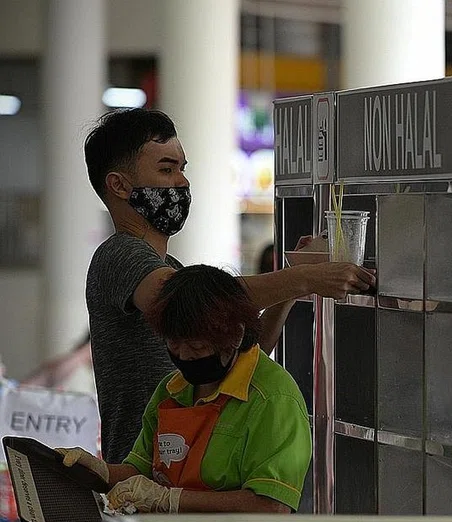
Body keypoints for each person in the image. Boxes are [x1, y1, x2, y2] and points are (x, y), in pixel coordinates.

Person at [83, 108, 375, 463]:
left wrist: (295, 285)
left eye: (182, 169)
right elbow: (192, 301)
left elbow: (243, 352)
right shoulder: (119, 255)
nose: (182, 182)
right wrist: (304, 277)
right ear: (119, 185)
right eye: (166, 170)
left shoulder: (169, 268)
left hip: (188, 470)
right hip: (146, 473)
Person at [59, 265, 311, 522]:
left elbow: (270, 507)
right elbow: (140, 469)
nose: (182, 356)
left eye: (195, 347)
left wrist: (170, 500)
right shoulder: (171, 390)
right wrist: (100, 471)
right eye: (173, 345)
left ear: (234, 335)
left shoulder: (273, 399)